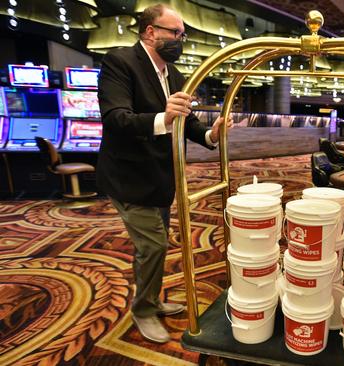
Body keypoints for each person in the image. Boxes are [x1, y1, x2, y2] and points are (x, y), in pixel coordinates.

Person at [97, 4, 232, 343]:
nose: (180, 40)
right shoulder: (120, 62)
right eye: (175, 33)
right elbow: (116, 119)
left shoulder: (170, 73)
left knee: (154, 247)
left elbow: (186, 121)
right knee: (153, 246)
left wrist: (209, 134)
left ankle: (153, 299)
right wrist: (164, 118)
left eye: (183, 35)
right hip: (129, 178)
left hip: (159, 179)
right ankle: (142, 310)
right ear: (150, 31)